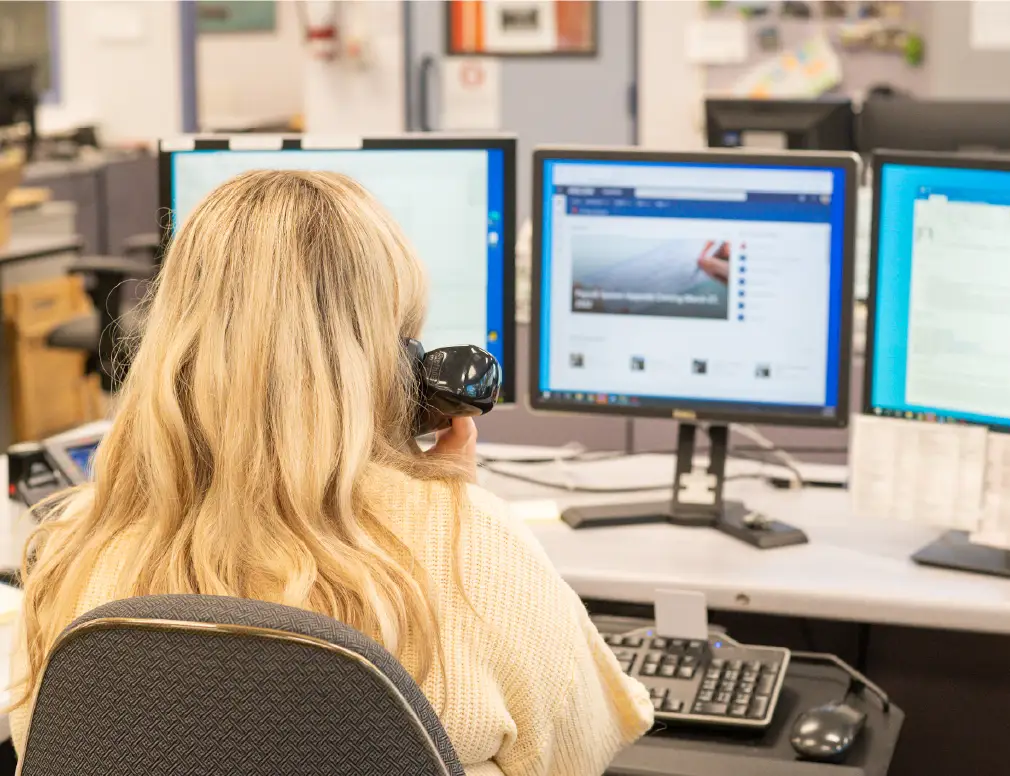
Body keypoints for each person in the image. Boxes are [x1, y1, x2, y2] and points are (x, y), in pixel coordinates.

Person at [6, 170, 653, 775]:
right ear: (390, 365)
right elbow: (580, 748)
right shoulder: (471, 546)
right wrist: (450, 511)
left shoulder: (71, 553)